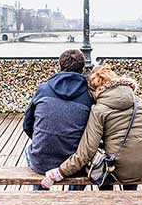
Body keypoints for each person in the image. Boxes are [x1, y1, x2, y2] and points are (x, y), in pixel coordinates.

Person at [40, 64, 142, 205]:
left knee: (102, 161)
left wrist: (60, 171)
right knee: (131, 152)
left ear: (95, 90)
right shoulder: (135, 100)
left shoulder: (99, 109)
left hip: (120, 167)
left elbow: (87, 150)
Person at [23, 49, 93, 190]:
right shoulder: (88, 95)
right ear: (82, 68)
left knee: (29, 150)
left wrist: (44, 139)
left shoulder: (43, 89)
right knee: (80, 163)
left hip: (42, 161)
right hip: (74, 163)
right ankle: (74, 199)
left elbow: (27, 125)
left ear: (59, 66)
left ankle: (41, 194)